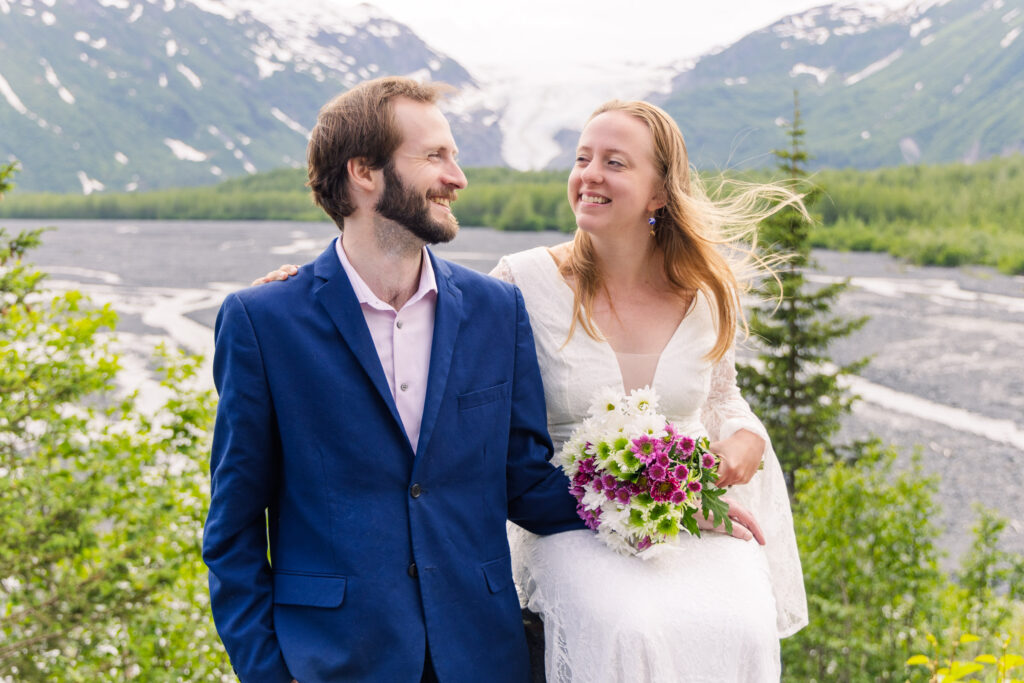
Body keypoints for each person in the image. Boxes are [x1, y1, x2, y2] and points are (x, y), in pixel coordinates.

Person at [251, 90, 800, 681]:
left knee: (741, 622)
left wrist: (733, 450)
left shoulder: (702, 292)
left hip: (674, 515)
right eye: (582, 158)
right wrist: (305, 293)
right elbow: (407, 315)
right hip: (571, 524)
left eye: (614, 162)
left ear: (661, 192)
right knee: (631, 626)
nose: (589, 174)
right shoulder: (519, 285)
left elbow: (722, 397)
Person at [202, 76, 591, 683]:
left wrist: (660, 499)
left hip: (484, 657)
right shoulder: (263, 322)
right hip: (333, 662)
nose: (458, 178)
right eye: (435, 156)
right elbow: (234, 530)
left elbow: (525, 483)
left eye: (454, 156)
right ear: (364, 171)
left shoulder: (497, 311)